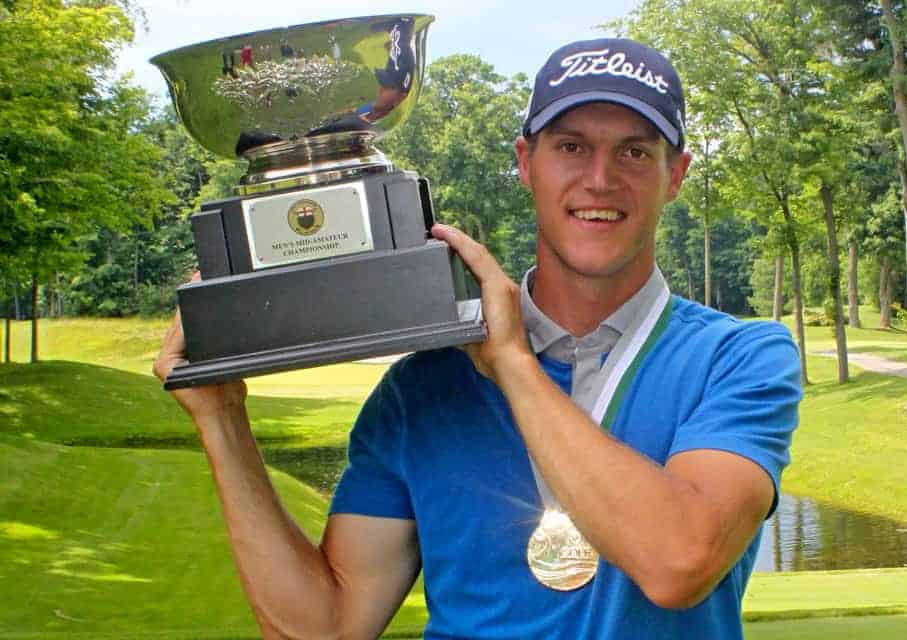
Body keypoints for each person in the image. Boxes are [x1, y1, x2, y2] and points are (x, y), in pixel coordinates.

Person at [154, 37, 801, 640]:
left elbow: (680, 561)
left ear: (675, 174)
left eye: (634, 151)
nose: (600, 179)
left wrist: (511, 362)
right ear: (525, 163)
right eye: (570, 147)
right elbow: (325, 626)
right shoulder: (420, 389)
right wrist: (222, 420)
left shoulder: (740, 359)